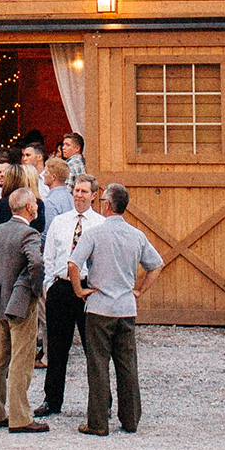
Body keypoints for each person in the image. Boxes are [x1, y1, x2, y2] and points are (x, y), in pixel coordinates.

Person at [70, 184, 164, 436]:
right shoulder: (137, 235)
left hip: (99, 307)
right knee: (127, 365)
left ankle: (98, 422)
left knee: (98, 365)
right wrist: (140, 290)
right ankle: (130, 418)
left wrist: (79, 290)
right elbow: (156, 265)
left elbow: (73, 263)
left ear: (107, 205)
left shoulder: (94, 234)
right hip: (125, 307)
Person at [0, 186, 47, 432]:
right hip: (20, 303)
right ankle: (20, 417)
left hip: (0, 300)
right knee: (22, 359)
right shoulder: (29, 234)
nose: (38, 207)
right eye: (35, 204)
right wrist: (32, 288)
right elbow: (36, 262)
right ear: (29, 207)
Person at [37, 172, 100, 417]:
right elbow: (49, 255)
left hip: (87, 290)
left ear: (94, 196)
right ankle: (52, 400)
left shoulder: (100, 224)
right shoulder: (60, 222)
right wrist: (50, 283)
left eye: (85, 192)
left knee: (92, 349)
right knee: (57, 348)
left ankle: (100, 401)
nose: (80, 196)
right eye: (76, 191)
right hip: (61, 288)